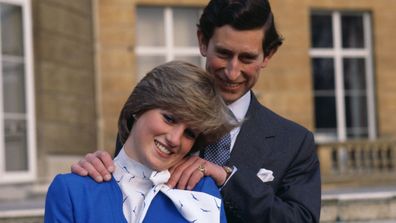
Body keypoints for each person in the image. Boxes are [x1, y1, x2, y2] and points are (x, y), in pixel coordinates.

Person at [71, 0, 322, 222]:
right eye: (223, 54)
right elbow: (125, 196)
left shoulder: (294, 143)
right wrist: (97, 173)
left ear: (268, 55)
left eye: (246, 58)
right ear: (202, 41)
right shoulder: (152, 120)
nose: (232, 72)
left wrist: (227, 179)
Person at [45, 61, 238, 223]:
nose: (174, 139)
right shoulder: (72, 191)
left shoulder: (202, 191)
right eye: (169, 118)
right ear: (139, 107)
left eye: (189, 133)